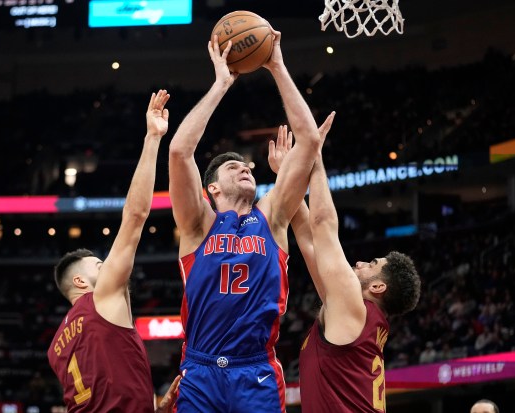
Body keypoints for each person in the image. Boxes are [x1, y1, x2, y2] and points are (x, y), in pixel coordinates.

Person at [167, 28, 322, 412]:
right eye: (234, 167)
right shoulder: (198, 224)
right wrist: (221, 85)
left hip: (256, 371)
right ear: (213, 190)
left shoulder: (271, 217)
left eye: (248, 166)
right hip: (200, 369)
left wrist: (277, 66)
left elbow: (310, 142)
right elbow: (179, 151)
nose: (246, 168)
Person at [270, 116, 421, 412]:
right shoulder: (353, 313)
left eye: (372, 263)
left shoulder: (354, 310)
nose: (361, 262)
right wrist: (288, 175)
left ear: (378, 286)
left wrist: (314, 156)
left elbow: (322, 223)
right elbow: (307, 236)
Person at [48, 90, 179, 412]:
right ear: (81, 281)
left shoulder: (55, 347)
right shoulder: (101, 297)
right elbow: (134, 217)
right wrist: (152, 138)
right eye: (99, 264)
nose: (108, 266)